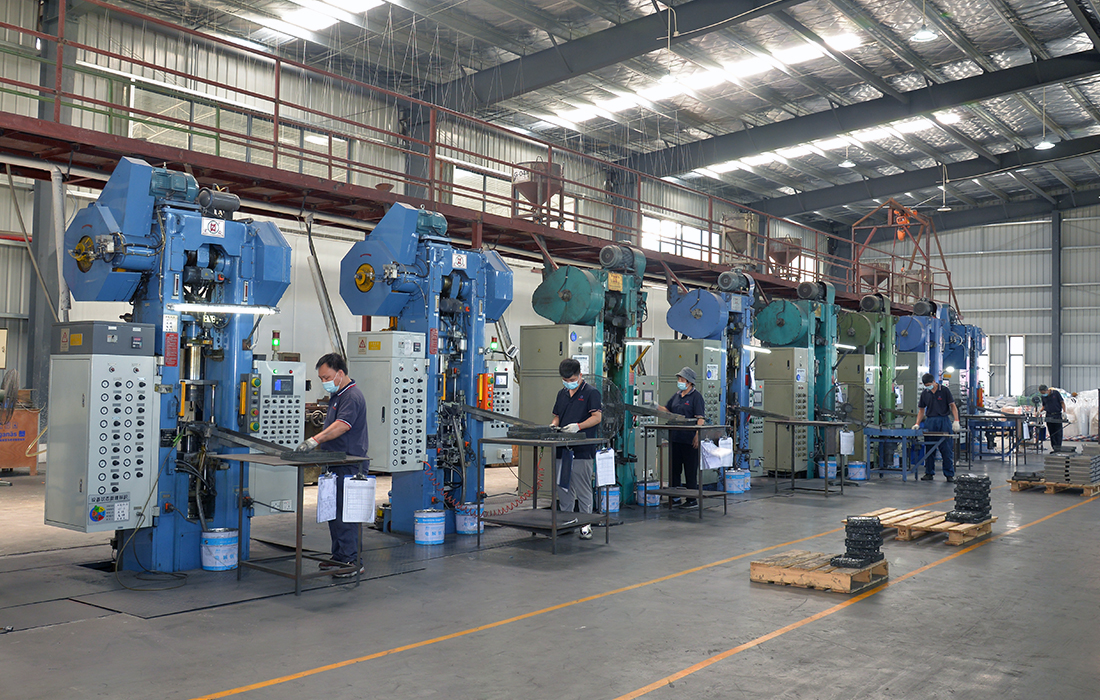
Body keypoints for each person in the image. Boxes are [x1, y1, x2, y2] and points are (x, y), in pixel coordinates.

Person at [296, 353, 370, 576]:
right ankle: (339, 556)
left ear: (340, 373)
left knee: (347, 515)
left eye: (326, 377)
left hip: (349, 464)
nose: (324, 382)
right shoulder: (338, 396)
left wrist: (314, 440)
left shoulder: (352, 396)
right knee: (334, 514)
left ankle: (352, 561)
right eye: (321, 378)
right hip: (335, 463)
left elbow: (342, 425)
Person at [549, 358, 602, 539]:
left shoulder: (591, 393)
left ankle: (585, 525)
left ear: (580, 375)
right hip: (562, 448)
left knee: (583, 488)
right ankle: (567, 522)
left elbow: (597, 417)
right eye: (565, 380)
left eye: (572, 380)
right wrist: (554, 425)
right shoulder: (561, 394)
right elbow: (557, 416)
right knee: (563, 488)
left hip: (582, 449)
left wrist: (578, 426)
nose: (568, 383)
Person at [658, 367, 706, 507]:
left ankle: (692, 499)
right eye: (679, 379)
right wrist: (655, 406)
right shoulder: (677, 395)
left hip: (689, 440)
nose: (679, 381)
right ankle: (675, 498)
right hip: (676, 438)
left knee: (690, 470)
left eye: (682, 379)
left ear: (689, 382)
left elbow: (700, 418)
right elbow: (668, 410)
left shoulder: (696, 397)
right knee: (674, 469)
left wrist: (697, 435)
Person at [912, 372, 961, 482]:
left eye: (929, 385)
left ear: (934, 381)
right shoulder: (925, 393)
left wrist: (956, 420)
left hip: (944, 421)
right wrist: (917, 423)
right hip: (930, 421)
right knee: (930, 449)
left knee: (946, 449)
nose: (928, 387)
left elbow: (953, 406)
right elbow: (921, 410)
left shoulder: (944, 390)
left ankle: (949, 474)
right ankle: (929, 473)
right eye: (926, 386)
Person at [1039, 385, 1065, 451]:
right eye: (1042, 393)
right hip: (1049, 415)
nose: (1043, 394)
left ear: (1047, 390)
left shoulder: (1056, 393)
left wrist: (1064, 412)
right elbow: (1044, 405)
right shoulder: (1043, 397)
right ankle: (1054, 448)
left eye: (1044, 393)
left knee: (1058, 432)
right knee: (1052, 432)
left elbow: (1062, 402)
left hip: (1057, 415)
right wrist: (1039, 411)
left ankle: (1058, 447)